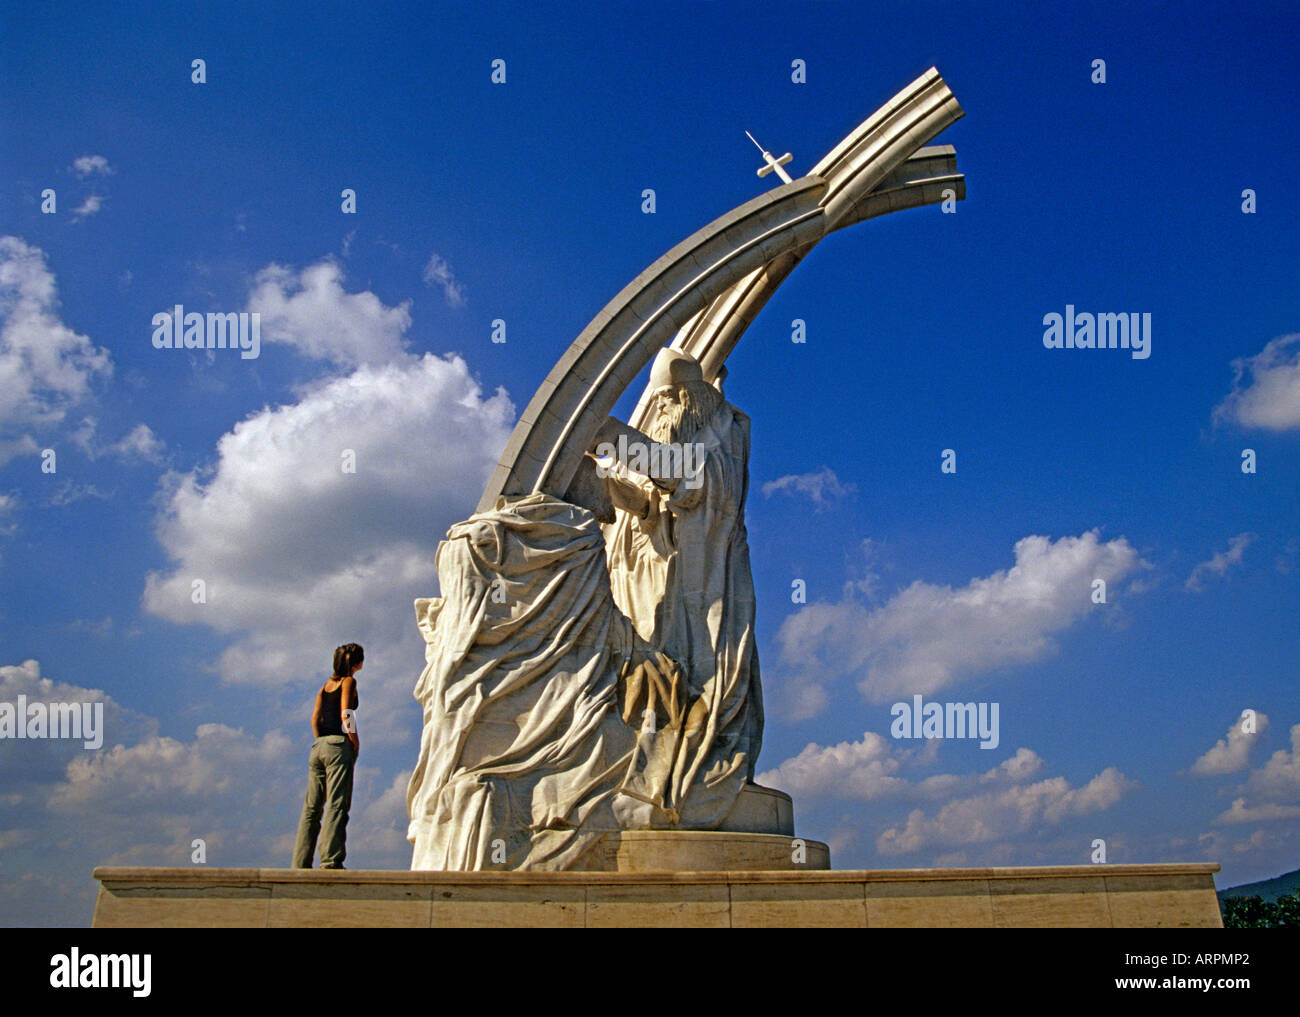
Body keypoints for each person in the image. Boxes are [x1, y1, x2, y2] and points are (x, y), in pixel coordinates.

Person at [292, 643, 362, 869]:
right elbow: (346, 713)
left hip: (318, 746)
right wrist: (353, 739)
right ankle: (330, 861)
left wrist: (320, 740)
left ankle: (300, 863)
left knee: (311, 808)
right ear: (355, 663)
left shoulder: (324, 686)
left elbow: (315, 719)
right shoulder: (348, 682)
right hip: (337, 746)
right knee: (337, 804)